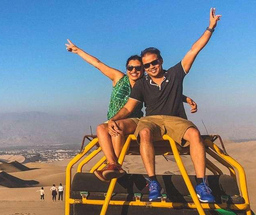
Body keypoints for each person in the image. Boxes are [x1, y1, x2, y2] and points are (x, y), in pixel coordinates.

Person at [107, 8, 221, 202]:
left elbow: (194, 49)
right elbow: (128, 107)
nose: (151, 67)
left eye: (154, 62)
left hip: (176, 120)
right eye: (147, 65)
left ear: (161, 61)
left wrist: (210, 28)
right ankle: (153, 182)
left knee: (194, 134)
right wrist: (114, 119)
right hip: (151, 121)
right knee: (144, 133)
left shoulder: (175, 74)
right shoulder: (142, 84)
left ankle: (201, 184)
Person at [66, 40, 197, 181]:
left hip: (133, 122)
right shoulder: (119, 78)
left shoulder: (145, 83)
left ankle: (114, 165)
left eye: (138, 68)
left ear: (143, 69)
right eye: (130, 68)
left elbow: (163, 93)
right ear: (126, 68)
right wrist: (77, 51)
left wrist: (185, 99)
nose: (134, 71)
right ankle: (112, 163)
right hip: (114, 118)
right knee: (101, 128)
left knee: (117, 130)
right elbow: (98, 64)